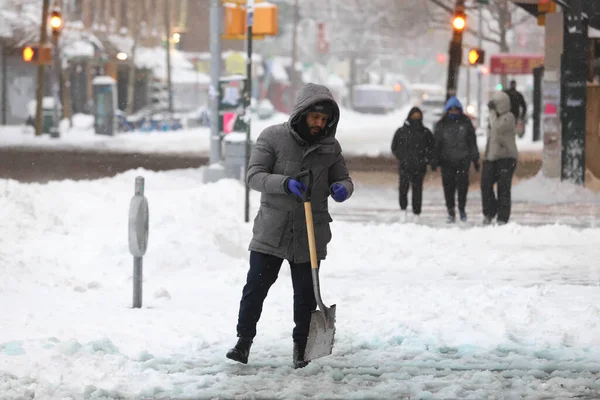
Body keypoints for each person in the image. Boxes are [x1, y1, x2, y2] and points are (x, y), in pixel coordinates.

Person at [226, 83, 353, 369]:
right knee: (255, 288)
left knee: (306, 296)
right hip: (273, 228)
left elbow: (344, 178)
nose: (320, 124)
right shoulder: (272, 137)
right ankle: (243, 342)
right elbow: (254, 176)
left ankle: (301, 348)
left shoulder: (330, 148)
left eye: (324, 120)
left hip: (310, 229)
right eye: (315, 118)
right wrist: (283, 183)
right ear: (302, 113)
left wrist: (342, 188)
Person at [432, 96, 480, 223]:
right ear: (447, 110)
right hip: (446, 162)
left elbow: (472, 142)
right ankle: (451, 211)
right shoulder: (441, 125)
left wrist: (475, 159)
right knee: (448, 188)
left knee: (463, 187)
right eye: (451, 110)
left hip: (463, 161)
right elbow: (436, 144)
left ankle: (462, 209)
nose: (454, 112)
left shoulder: (466, 123)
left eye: (456, 110)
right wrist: (434, 160)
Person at [481, 91, 522, 225]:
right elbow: (490, 137)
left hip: (506, 157)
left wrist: (492, 113)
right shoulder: (493, 118)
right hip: (491, 157)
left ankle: (502, 217)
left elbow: (497, 129)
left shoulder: (509, 117)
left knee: (503, 188)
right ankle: (489, 211)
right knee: (486, 185)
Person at [390, 107, 434, 223]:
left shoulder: (425, 132)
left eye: (418, 117)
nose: (416, 119)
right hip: (405, 166)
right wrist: (402, 157)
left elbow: (431, 148)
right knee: (403, 190)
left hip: (419, 167)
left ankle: (416, 213)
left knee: (417, 191)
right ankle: (403, 211)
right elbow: (394, 147)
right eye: (414, 116)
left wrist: (426, 160)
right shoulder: (401, 131)